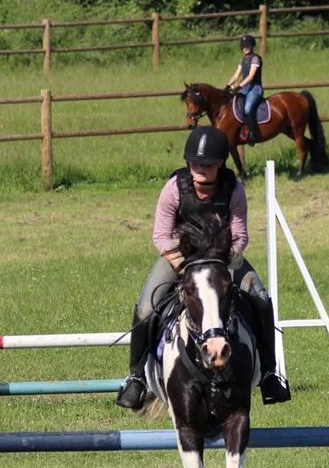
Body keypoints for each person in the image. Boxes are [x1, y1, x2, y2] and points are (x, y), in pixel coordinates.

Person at [116, 125, 291, 409]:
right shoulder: (173, 189)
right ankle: (136, 378)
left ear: (221, 164)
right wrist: (186, 266)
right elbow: (161, 235)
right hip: (180, 256)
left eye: (208, 164)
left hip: (223, 258)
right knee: (147, 307)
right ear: (188, 162)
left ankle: (271, 372)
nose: (201, 168)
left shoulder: (233, 189)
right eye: (196, 163)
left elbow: (240, 235)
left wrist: (217, 265)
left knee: (260, 297)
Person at [226, 34, 263, 145]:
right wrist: (228, 86)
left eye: (248, 45)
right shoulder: (242, 60)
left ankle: (252, 133)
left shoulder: (255, 59)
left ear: (252, 46)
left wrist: (239, 86)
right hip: (245, 88)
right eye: (243, 46)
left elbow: (251, 76)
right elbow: (236, 75)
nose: (245, 47)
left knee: (247, 109)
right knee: (235, 105)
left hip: (255, 89)